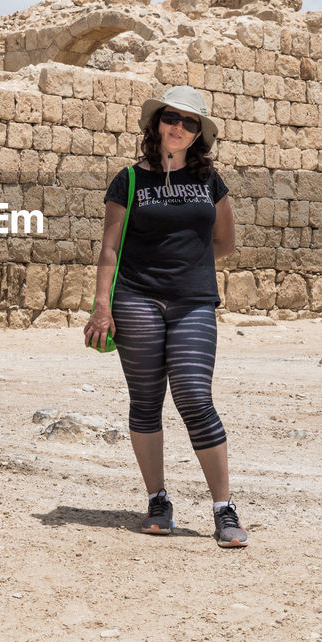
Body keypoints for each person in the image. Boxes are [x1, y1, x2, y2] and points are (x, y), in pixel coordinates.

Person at [83, 85, 246, 548]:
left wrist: (186, 268)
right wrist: (102, 306)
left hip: (193, 301)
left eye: (190, 122)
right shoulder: (128, 180)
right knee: (146, 400)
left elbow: (225, 244)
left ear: (199, 135)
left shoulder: (210, 181)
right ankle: (157, 499)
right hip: (136, 300)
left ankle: (223, 508)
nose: (179, 127)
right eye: (172, 118)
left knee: (195, 396)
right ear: (157, 123)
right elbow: (110, 249)